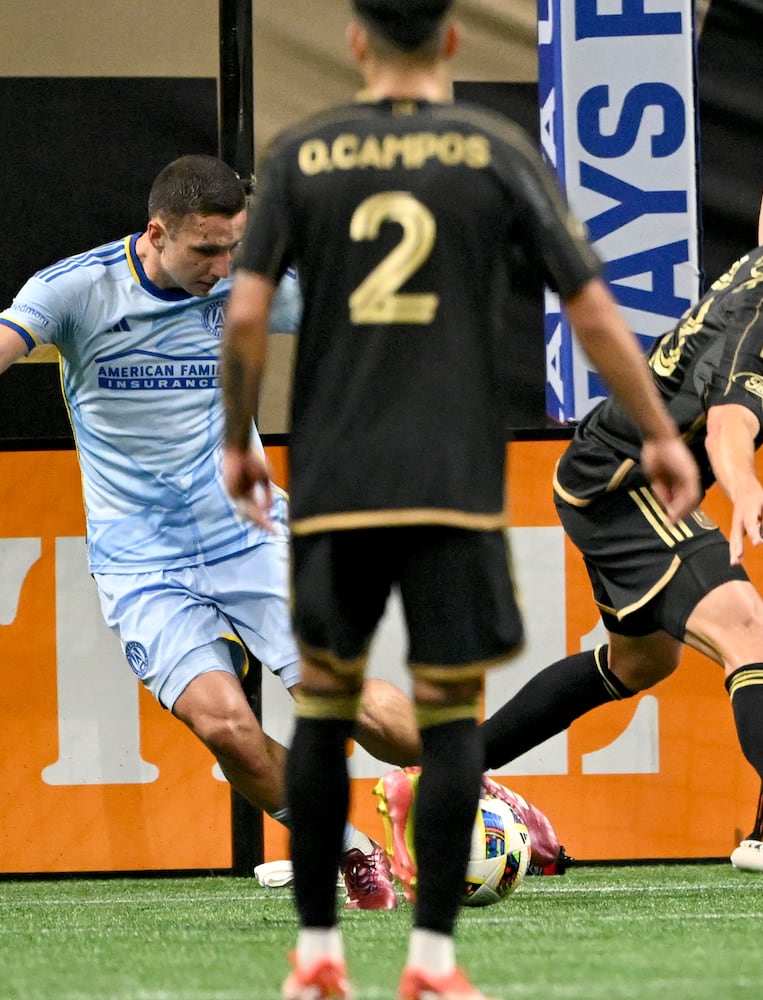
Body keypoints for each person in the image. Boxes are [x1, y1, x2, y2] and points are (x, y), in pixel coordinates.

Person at [219, 1, 701, 997]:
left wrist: (237, 438)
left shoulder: (302, 154)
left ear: (355, 41)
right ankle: (432, 961)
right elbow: (594, 309)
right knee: (447, 728)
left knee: (323, 712)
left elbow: (251, 312)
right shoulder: (493, 149)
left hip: (340, 485)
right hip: (452, 486)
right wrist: (659, 431)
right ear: (448, 40)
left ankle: (316, 955)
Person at [476, 150, 763, 919]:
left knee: (639, 662)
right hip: (627, 483)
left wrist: (761, 253)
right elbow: (733, 422)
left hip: (610, 462)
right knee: (758, 642)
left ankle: (453, 771)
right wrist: (744, 490)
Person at [0, 153, 417, 911]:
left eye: (235, 247)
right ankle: (350, 852)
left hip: (250, 537)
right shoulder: (76, 290)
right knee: (227, 726)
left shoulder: (244, 284)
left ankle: (485, 798)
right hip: (141, 564)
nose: (223, 266)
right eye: (207, 250)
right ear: (157, 233)